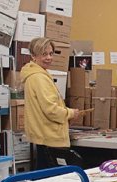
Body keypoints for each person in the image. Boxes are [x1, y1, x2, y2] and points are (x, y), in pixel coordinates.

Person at [21, 37, 79, 170]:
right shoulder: (39, 78)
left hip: (42, 137)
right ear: (33, 56)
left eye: (51, 54)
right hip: (50, 137)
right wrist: (70, 113)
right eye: (44, 54)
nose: (49, 58)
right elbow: (50, 109)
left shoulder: (34, 75)